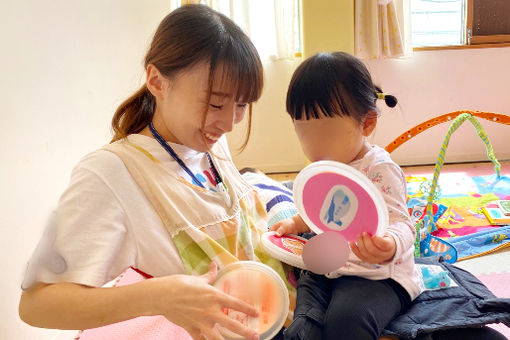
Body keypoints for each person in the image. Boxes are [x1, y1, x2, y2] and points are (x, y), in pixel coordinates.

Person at [19, 5, 293, 340]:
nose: (230, 123)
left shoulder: (209, 145)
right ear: (156, 81)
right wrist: (158, 297)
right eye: (216, 104)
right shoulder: (110, 173)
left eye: (241, 105)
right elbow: (36, 304)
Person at [270, 51, 507, 340]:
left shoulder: (378, 169)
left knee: (346, 322)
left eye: (327, 131)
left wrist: (391, 244)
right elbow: (320, 213)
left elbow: (403, 223)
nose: (314, 145)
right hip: (337, 269)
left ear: (367, 123)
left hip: (380, 276)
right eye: (304, 132)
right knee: (303, 317)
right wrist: (297, 223)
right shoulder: (323, 166)